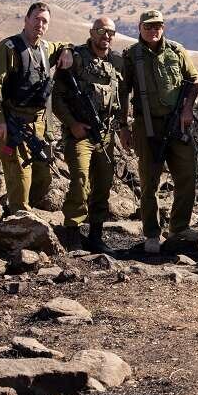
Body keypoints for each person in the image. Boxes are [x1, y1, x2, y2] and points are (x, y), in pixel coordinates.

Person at [117, 10, 198, 254]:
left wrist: (187, 109)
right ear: (140, 28)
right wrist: (124, 126)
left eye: (157, 26)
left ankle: (179, 227)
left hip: (178, 124)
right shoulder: (131, 56)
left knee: (187, 176)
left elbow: (193, 81)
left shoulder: (176, 51)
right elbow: (123, 94)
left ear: (163, 27)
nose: (153, 31)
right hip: (147, 126)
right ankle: (152, 233)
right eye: (148, 27)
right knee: (149, 181)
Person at [0, 2, 72, 214]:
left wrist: (67, 50)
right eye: (36, 19)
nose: (40, 25)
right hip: (12, 125)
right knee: (20, 176)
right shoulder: (9, 48)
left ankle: (13, 211)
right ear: (26, 20)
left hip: (38, 127)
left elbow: (65, 45)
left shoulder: (46, 48)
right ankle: (17, 226)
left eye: (45, 21)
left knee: (43, 177)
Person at [52, 16, 123, 253]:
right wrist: (72, 124)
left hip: (105, 135)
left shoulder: (116, 63)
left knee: (103, 184)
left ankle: (96, 236)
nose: (106, 36)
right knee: (80, 180)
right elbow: (58, 97)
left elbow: (123, 97)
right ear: (92, 32)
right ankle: (72, 232)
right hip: (80, 133)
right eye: (102, 31)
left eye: (111, 32)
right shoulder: (77, 58)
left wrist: (124, 126)